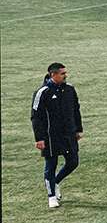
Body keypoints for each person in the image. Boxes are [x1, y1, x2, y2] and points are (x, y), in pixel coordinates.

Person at [31, 63, 83, 208]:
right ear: (53, 75)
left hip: (69, 134)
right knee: (50, 166)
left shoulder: (70, 89)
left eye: (65, 73)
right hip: (50, 137)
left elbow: (76, 110)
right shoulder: (42, 92)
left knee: (73, 162)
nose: (65, 75)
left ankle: (55, 182)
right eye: (62, 73)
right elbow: (36, 117)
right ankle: (51, 196)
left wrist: (78, 129)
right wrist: (39, 138)